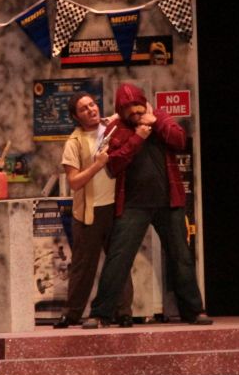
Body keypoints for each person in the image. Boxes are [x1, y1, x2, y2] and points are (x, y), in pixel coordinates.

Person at [82, 83, 211, 328]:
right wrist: (138, 137)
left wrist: (156, 123)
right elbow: (113, 165)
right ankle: (100, 314)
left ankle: (194, 311)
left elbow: (180, 140)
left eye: (137, 105)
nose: (134, 111)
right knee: (118, 258)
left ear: (144, 102)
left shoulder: (159, 116)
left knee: (181, 257)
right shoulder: (116, 129)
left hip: (168, 202)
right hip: (133, 205)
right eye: (128, 108)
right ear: (120, 109)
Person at [54, 91, 134, 328]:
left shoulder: (112, 127)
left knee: (119, 262)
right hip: (89, 212)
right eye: (84, 108)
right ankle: (72, 314)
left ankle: (123, 312)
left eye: (92, 104)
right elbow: (74, 182)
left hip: (115, 208)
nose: (91, 110)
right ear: (75, 116)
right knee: (83, 266)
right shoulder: (74, 142)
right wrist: (97, 165)